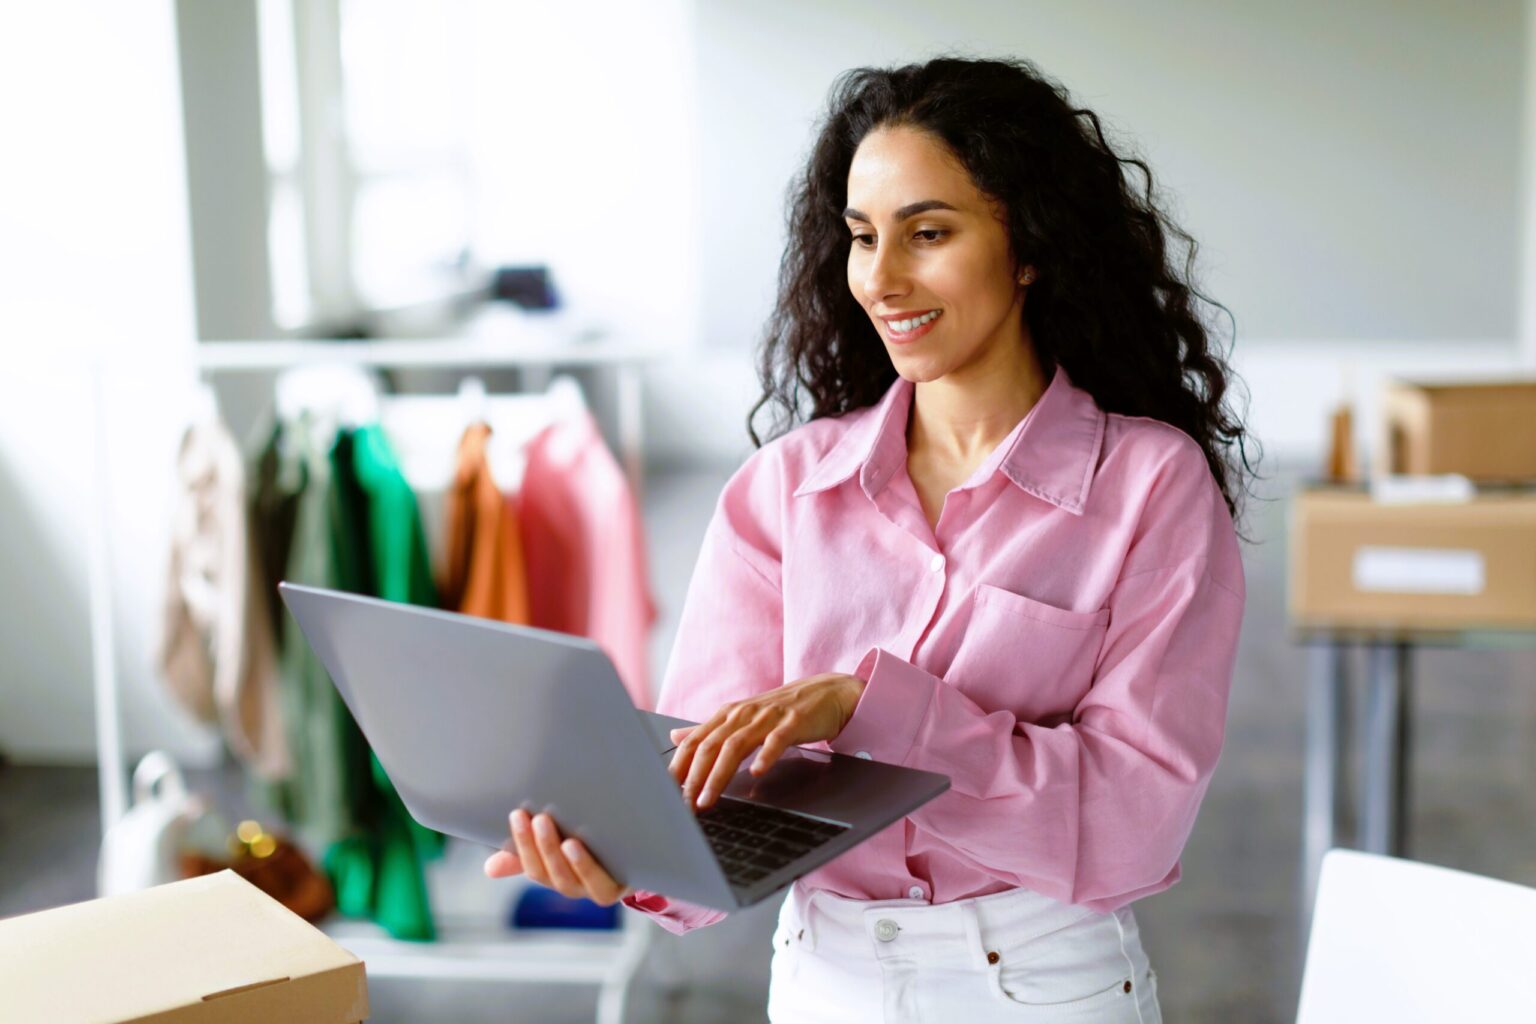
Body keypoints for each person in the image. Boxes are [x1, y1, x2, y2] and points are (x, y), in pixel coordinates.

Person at [485, 54, 1253, 1023]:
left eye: (927, 233)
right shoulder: (783, 490)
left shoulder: (1150, 487)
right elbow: (712, 786)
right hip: (822, 983)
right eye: (860, 238)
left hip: (1043, 986)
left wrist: (870, 709)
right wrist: (628, 855)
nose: (881, 279)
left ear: (1030, 245)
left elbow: (1131, 828)